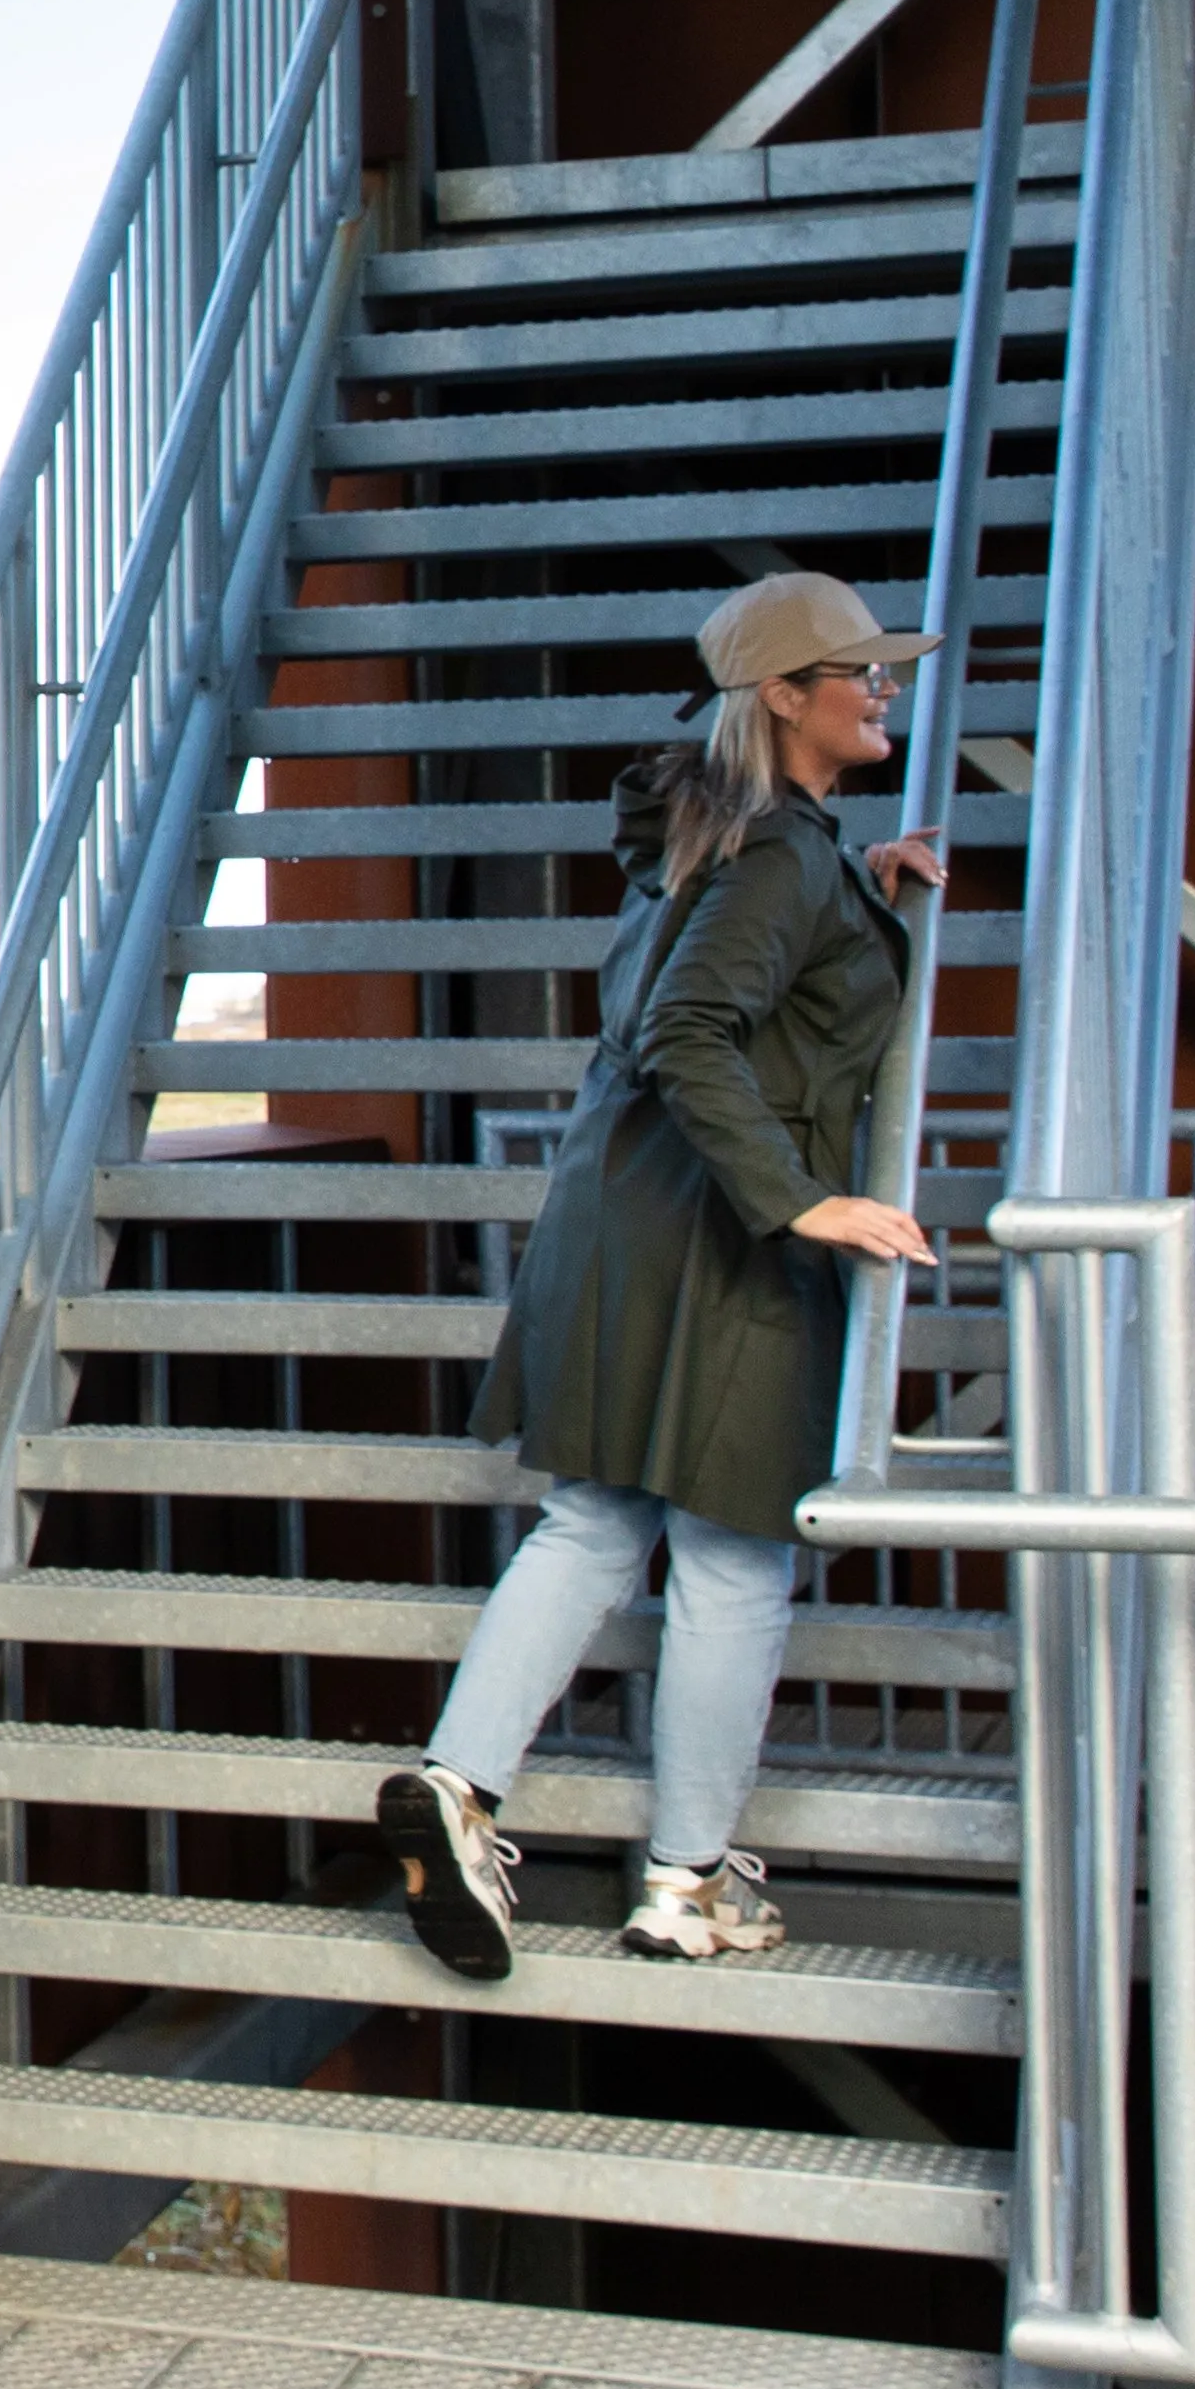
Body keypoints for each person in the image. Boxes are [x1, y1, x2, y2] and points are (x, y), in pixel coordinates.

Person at [379, 566, 948, 1975]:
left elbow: (727, 979)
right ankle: (683, 1884)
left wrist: (860, 896)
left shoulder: (734, 840)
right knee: (734, 1559)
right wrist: (804, 1204)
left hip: (625, 1217)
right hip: (720, 1246)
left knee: (589, 1525)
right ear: (783, 698)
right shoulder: (770, 858)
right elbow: (691, 1028)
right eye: (858, 672)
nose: (882, 689)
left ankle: (452, 1791)